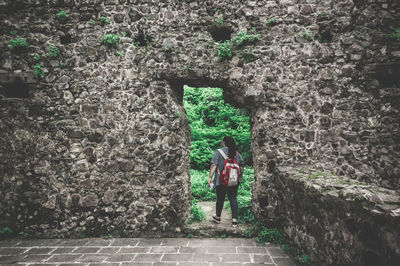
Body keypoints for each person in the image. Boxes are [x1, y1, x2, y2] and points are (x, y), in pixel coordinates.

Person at [208, 136, 244, 227]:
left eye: (222, 141)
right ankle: (234, 220)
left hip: (221, 180)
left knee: (220, 199)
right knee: (233, 198)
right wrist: (240, 177)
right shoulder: (236, 153)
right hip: (233, 180)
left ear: (224, 142)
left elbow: (213, 166)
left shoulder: (219, 152)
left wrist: (210, 178)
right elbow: (241, 166)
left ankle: (218, 217)